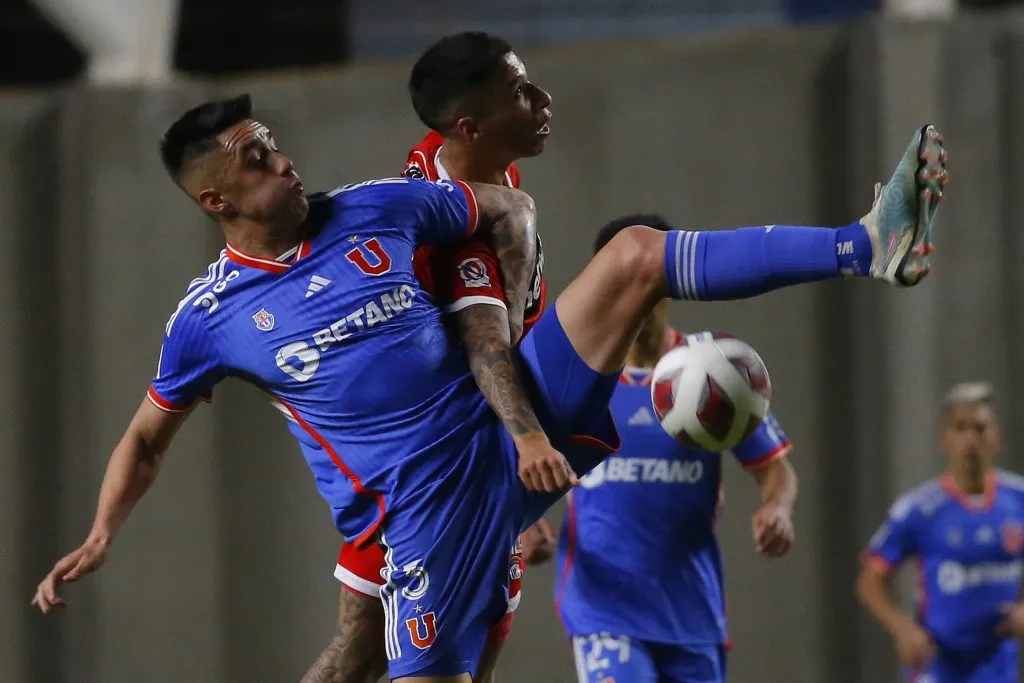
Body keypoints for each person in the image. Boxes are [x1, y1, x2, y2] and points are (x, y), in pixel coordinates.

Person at [32, 86, 947, 683]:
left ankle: (865, 243)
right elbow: (146, 438)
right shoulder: (209, 316)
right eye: (256, 160)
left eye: (273, 143)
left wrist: (500, 313)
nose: (283, 162)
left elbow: (507, 208)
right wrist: (102, 531)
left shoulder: (379, 205)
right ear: (216, 201)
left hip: (513, 418)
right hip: (424, 504)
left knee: (633, 256)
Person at [313, 31, 556, 683]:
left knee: (370, 651)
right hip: (430, 467)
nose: (541, 99)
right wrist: (527, 441)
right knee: (373, 656)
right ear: (471, 126)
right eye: (520, 93)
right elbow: (486, 349)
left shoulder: (467, 165)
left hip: (460, 456)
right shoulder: (466, 238)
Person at [553, 214, 798, 683]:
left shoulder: (717, 373)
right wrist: (523, 529)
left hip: (691, 616)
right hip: (605, 612)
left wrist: (779, 509)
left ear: (668, 283)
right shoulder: (575, 379)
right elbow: (516, 463)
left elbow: (775, 470)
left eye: (645, 281)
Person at [858, 383, 1024, 683]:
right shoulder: (920, 510)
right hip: (937, 664)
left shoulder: (1018, 500)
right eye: (961, 428)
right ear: (945, 438)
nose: (971, 439)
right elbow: (870, 580)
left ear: (996, 437)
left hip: (998, 666)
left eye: (980, 428)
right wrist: (904, 629)